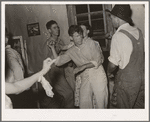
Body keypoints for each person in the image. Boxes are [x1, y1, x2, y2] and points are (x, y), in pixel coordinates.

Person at [50, 25, 108, 108]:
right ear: (71, 38)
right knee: (84, 104)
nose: (80, 38)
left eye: (80, 35)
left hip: (97, 74)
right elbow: (58, 62)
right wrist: (52, 48)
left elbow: (98, 60)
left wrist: (82, 67)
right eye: (76, 36)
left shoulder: (91, 43)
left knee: (101, 103)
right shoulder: (71, 51)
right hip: (85, 76)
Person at [107, 5, 144, 108]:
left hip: (127, 82)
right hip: (142, 79)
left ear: (117, 19)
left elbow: (113, 65)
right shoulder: (138, 31)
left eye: (112, 18)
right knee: (139, 110)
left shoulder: (118, 36)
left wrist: (109, 72)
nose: (111, 21)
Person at [41, 20, 74, 108]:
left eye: (57, 27)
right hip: (53, 71)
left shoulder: (59, 41)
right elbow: (53, 56)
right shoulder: (49, 42)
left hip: (61, 70)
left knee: (63, 96)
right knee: (69, 93)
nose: (57, 29)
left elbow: (63, 54)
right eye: (54, 28)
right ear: (49, 31)